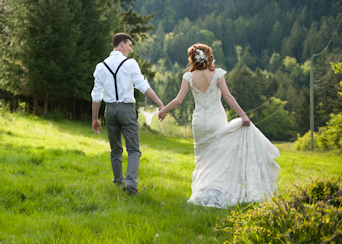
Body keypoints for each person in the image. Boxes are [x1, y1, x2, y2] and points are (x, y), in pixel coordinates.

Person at [158, 43, 280, 208]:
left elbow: (178, 100)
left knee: (204, 159)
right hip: (216, 119)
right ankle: (217, 193)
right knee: (218, 157)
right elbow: (228, 97)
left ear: (192, 58)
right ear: (208, 56)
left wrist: (163, 110)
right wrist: (243, 115)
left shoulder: (189, 77)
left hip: (199, 122)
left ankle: (205, 193)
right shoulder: (217, 74)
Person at [91, 33, 164, 196]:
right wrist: (159, 104)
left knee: (115, 148)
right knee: (133, 149)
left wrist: (95, 118)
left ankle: (118, 181)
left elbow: (96, 95)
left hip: (110, 110)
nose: (130, 49)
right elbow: (142, 86)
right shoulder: (130, 64)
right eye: (129, 45)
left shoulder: (101, 66)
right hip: (127, 110)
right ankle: (131, 184)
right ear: (122, 44)